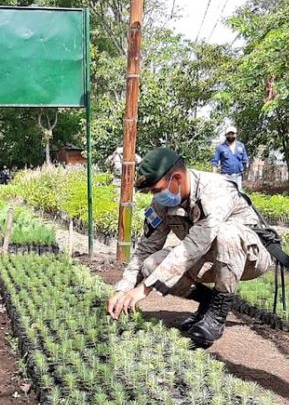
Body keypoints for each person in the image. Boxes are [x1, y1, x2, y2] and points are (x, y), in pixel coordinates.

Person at [107, 147, 275, 348]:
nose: (155, 195)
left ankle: (217, 315)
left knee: (226, 233)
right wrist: (123, 289)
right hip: (209, 258)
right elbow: (146, 247)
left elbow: (194, 245)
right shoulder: (162, 203)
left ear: (177, 178)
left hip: (250, 259)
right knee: (151, 265)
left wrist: (143, 289)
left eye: (157, 190)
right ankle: (208, 302)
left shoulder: (215, 190)